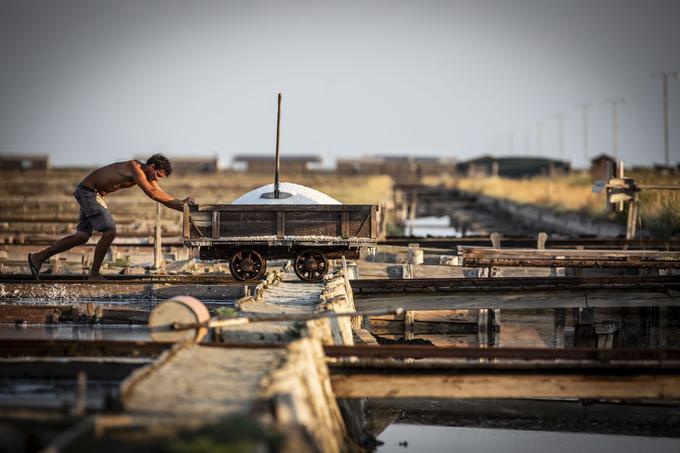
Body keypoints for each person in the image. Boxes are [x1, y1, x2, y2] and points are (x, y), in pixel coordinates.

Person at [27, 154, 194, 280]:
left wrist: (184, 207)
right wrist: (181, 204)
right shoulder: (135, 168)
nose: (156, 178)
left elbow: (161, 195)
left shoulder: (146, 174)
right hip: (89, 193)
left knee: (82, 236)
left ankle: (37, 258)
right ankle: (94, 275)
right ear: (151, 165)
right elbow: (153, 194)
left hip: (92, 194)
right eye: (158, 174)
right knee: (110, 232)